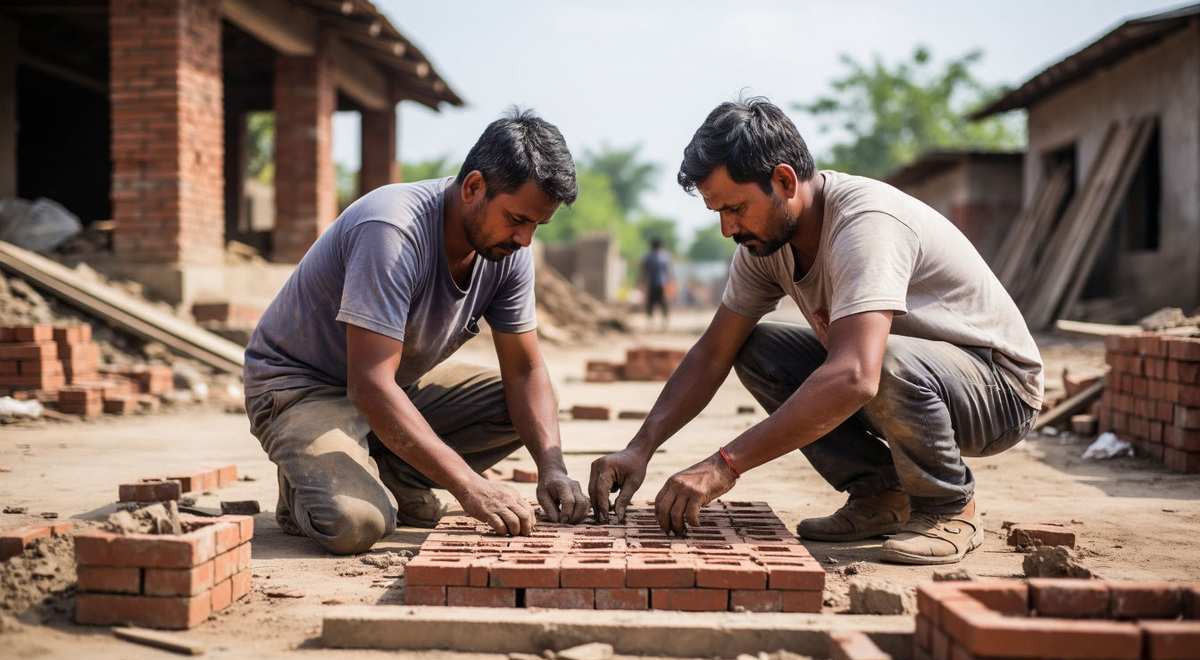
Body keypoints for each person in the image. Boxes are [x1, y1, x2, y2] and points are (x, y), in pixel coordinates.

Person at [588, 97, 1043, 565]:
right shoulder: (763, 247)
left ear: (785, 181)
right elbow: (712, 353)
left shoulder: (865, 224)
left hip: (997, 392)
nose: (728, 228)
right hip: (913, 385)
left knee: (875, 362)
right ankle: (881, 495)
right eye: (717, 212)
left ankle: (949, 506)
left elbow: (856, 378)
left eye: (736, 208)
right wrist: (638, 448)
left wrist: (722, 466)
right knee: (757, 348)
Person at [244, 108, 590, 555]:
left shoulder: (508, 251)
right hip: (302, 387)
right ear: (473, 187)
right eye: (517, 219)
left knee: (526, 402)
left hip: (391, 384)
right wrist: (469, 486)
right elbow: (368, 385)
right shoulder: (392, 230)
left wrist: (552, 467)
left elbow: (525, 371)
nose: (525, 240)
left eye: (536, 226)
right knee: (357, 524)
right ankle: (303, 490)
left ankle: (391, 473)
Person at [640, 238, 674, 330]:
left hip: (652, 284)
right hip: (662, 283)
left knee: (652, 303)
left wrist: (642, 282)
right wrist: (670, 282)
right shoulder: (665, 256)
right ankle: (664, 324)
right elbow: (669, 271)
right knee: (662, 303)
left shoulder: (648, 257)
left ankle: (651, 324)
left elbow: (644, 271)